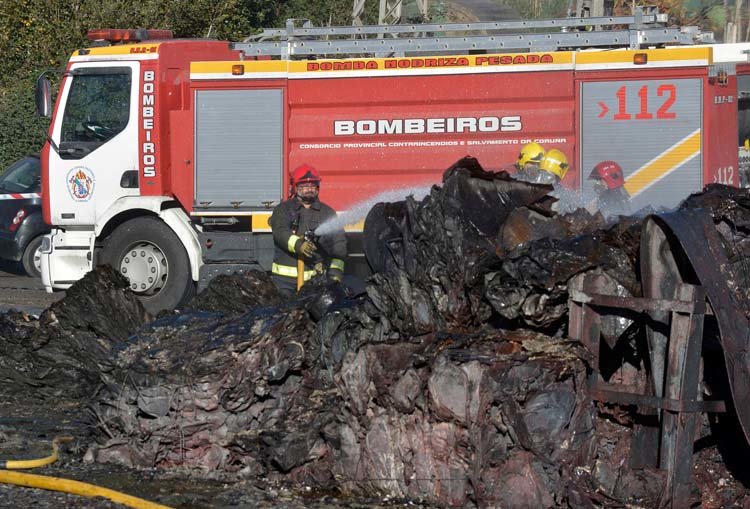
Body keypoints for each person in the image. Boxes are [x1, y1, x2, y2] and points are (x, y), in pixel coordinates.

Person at [268, 163, 346, 294]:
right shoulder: (283, 210)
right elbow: (280, 231)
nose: (309, 189)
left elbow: (339, 244)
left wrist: (335, 274)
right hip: (285, 283)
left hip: (314, 282)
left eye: (313, 185)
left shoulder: (327, 213)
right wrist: (299, 245)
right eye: (304, 186)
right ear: (295, 187)